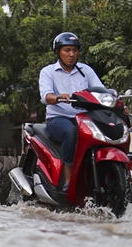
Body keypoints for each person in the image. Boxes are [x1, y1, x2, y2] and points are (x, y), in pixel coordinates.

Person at [39, 32, 105, 191]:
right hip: (57, 120)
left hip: (85, 118)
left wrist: (116, 99)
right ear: (57, 52)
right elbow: (45, 96)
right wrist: (57, 97)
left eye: (75, 50)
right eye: (67, 50)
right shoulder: (48, 72)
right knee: (70, 131)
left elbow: (101, 90)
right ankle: (69, 178)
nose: (71, 54)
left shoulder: (86, 70)